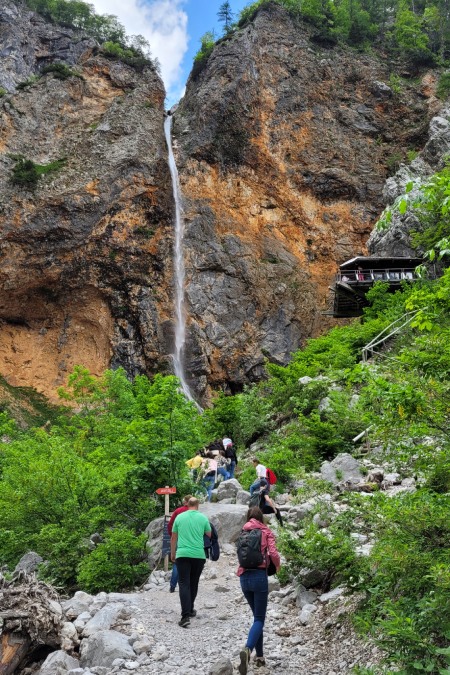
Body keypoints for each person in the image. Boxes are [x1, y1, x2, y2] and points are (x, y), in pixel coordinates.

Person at [237, 506, 281, 674]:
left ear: (248, 517)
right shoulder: (265, 531)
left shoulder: (243, 532)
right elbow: (274, 553)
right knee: (260, 619)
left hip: (244, 578)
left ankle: (260, 657)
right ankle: (248, 650)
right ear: (261, 517)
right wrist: (277, 566)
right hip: (259, 577)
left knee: (256, 618)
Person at [171, 497, 211, 628]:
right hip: (198, 555)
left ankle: (185, 616)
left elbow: (173, 537)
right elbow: (209, 534)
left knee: (183, 584)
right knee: (194, 583)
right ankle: (191, 609)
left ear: (187, 504)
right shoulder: (203, 518)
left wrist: (172, 553)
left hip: (182, 554)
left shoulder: (179, 517)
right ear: (198, 505)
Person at [167, 495, 192, 593]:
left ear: (185, 502)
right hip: (191, 540)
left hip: (178, 539)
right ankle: (187, 586)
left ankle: (172, 586)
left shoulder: (178, 511)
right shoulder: (195, 513)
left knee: (177, 563)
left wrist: (172, 535)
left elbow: (170, 525)